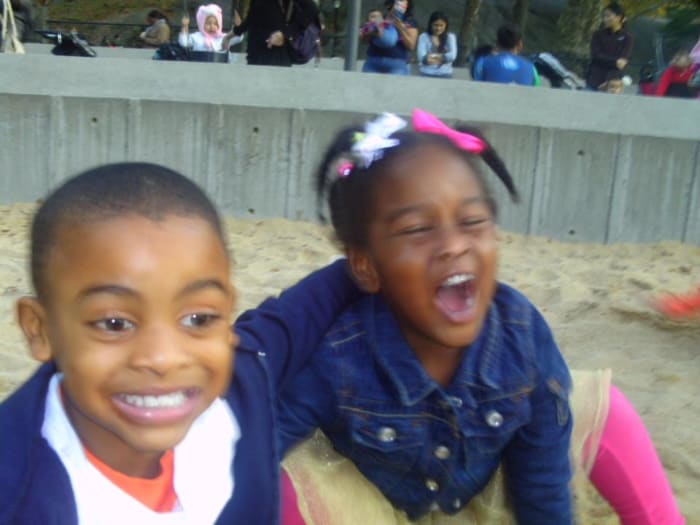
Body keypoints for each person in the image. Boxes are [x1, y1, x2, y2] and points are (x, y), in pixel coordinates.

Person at [276, 111, 686, 524]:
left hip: (487, 491)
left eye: (473, 221)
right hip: (380, 507)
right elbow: (263, 441)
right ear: (367, 268)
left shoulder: (521, 336)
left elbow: (543, 486)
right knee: (282, 472)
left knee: (602, 408)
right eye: (417, 228)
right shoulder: (338, 357)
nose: (454, 244)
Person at [0, 162, 363, 524]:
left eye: (198, 319)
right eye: (114, 323)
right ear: (41, 329)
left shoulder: (237, 391)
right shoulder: (21, 498)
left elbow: (296, 315)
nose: (163, 358)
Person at [232, 0, 321, 67]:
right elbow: (253, 16)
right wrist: (234, 33)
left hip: (275, 52)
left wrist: (286, 34)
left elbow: (311, 9)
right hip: (255, 52)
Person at [361, 0, 418, 75]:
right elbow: (363, 41)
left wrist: (400, 28)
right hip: (374, 61)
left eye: (403, 1)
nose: (400, 4)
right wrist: (372, 32)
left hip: (397, 65)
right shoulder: (380, 17)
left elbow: (411, 46)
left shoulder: (410, 21)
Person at [472, 23, 540, 86]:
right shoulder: (532, 68)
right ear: (520, 44)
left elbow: (477, 87)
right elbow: (536, 91)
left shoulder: (482, 63)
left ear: (496, 43)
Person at [586, 2, 633, 91]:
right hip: (594, 80)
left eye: (608, 16)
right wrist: (615, 61)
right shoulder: (598, 35)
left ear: (618, 17)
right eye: (604, 16)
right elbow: (596, 55)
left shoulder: (627, 37)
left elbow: (622, 62)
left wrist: (608, 82)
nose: (605, 19)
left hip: (613, 84)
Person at [178, 3, 243, 55]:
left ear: (219, 25)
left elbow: (238, 38)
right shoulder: (196, 37)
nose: (212, 26)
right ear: (202, 24)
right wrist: (185, 26)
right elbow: (184, 42)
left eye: (215, 24)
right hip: (199, 66)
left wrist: (238, 26)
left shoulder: (223, 37)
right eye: (208, 23)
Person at [416, 11, 457, 79]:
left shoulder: (450, 37)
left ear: (446, 25)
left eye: (441, 25)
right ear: (431, 24)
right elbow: (422, 57)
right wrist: (443, 58)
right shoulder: (423, 37)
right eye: (436, 25)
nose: (438, 28)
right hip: (427, 73)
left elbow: (452, 56)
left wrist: (431, 56)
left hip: (445, 74)